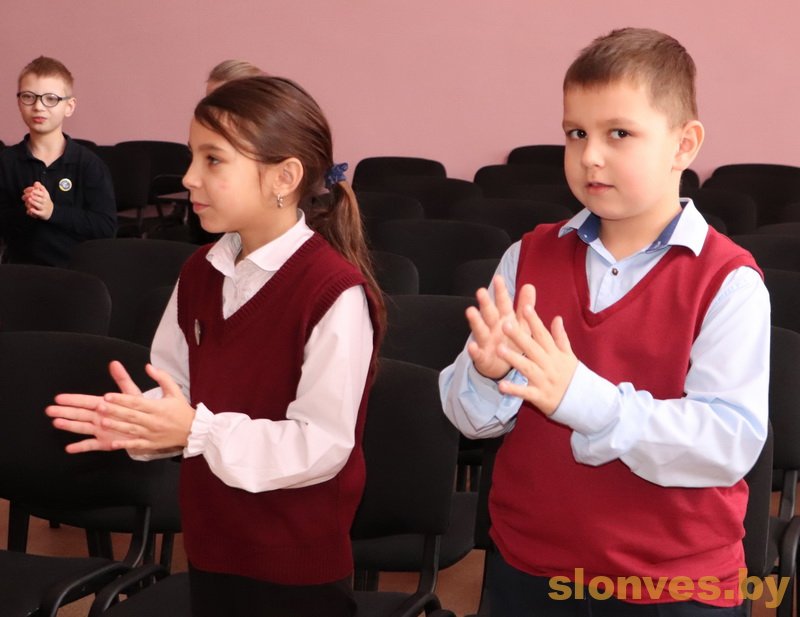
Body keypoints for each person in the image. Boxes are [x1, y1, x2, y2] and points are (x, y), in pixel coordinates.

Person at [440, 28, 769, 617]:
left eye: (619, 133)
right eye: (576, 133)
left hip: (673, 587)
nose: (590, 155)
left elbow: (726, 442)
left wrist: (582, 398)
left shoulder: (729, 281)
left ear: (684, 144)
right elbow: (471, 421)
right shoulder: (527, 257)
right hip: (529, 569)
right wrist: (487, 376)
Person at [47, 75, 385, 617]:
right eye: (191, 156)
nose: (188, 177)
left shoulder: (332, 291)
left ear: (284, 177)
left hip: (294, 563)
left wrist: (195, 431)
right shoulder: (199, 271)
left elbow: (321, 445)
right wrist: (139, 420)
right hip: (211, 543)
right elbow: (177, 390)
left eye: (213, 160)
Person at [0, 56, 116, 266]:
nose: (38, 106)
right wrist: (27, 210)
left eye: (51, 99)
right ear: (19, 102)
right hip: (19, 274)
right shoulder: (6, 162)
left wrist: (53, 212)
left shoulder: (88, 164)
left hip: (74, 274)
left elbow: (106, 227)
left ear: (69, 106)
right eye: (28, 96)